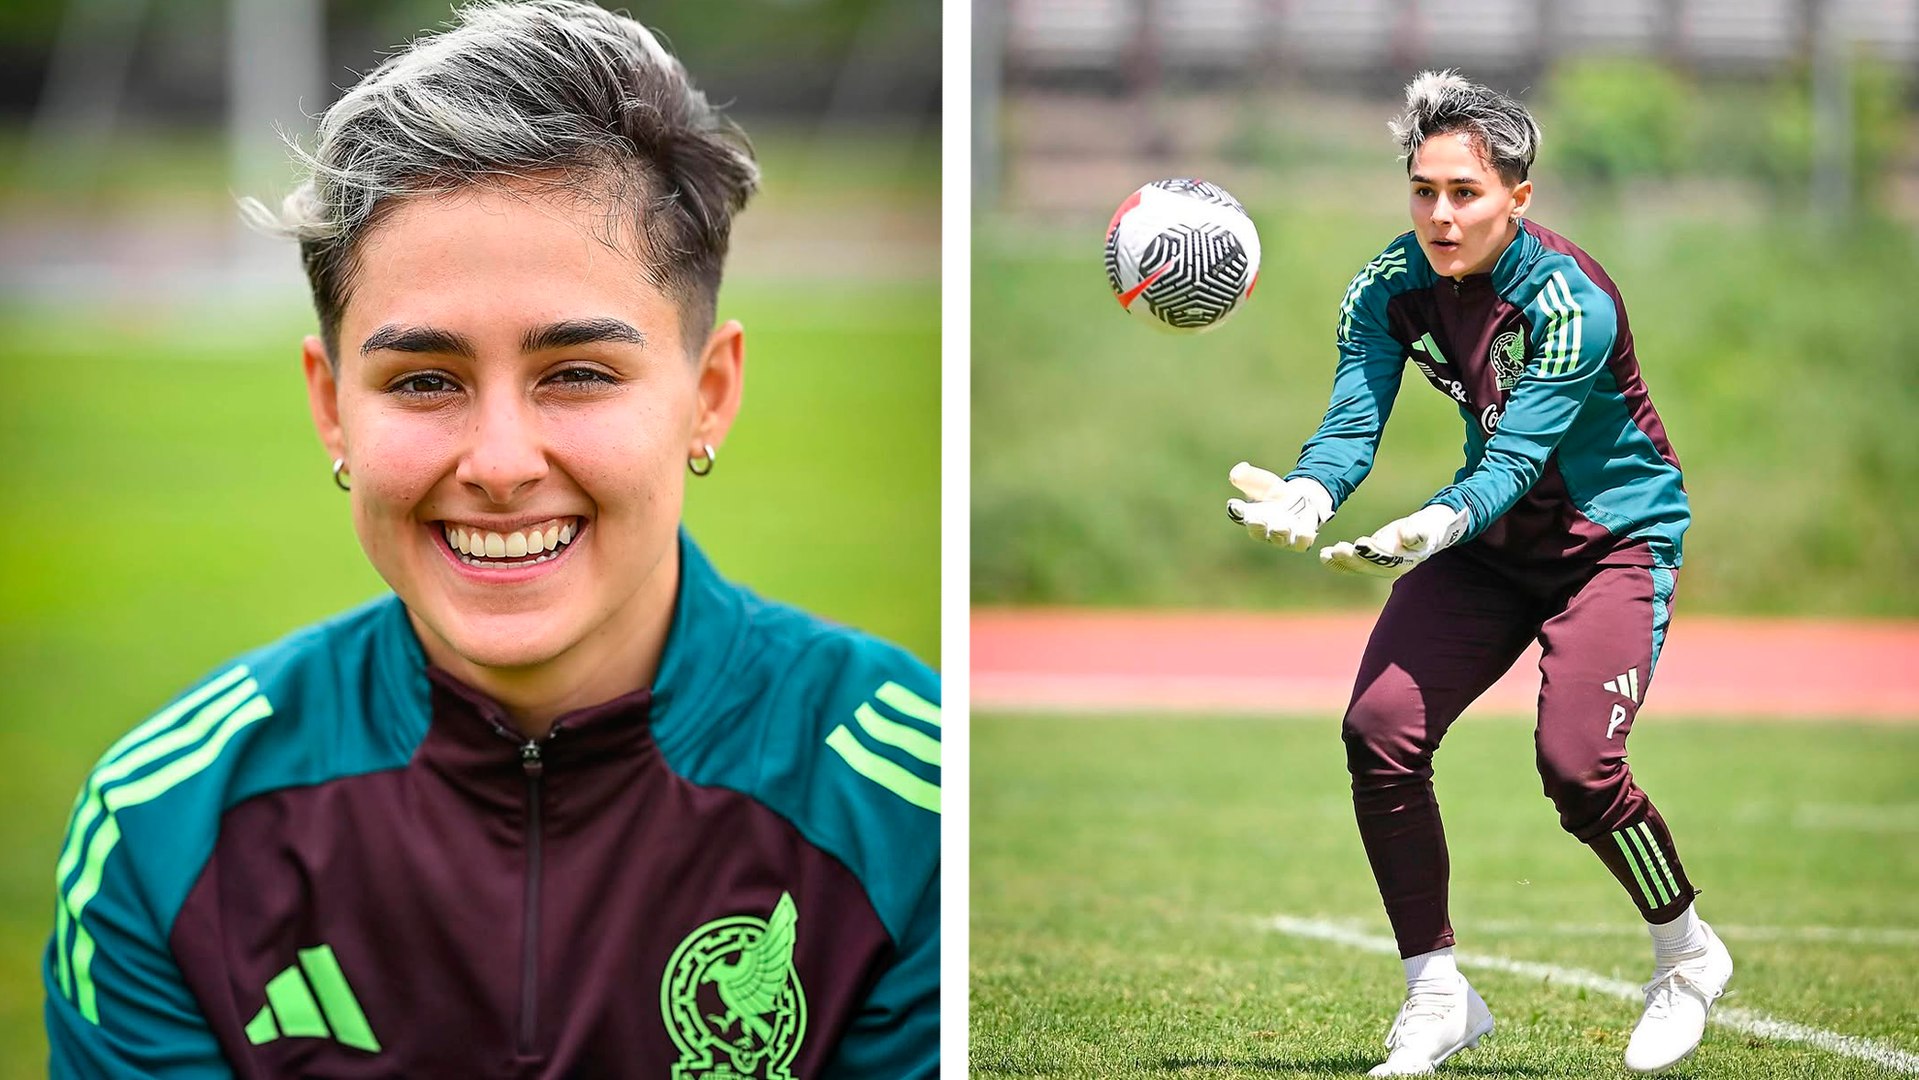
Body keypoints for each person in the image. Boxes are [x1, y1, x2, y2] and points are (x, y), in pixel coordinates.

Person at [43, 2, 939, 1076]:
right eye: (424, 380)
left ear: (708, 395)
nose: (501, 462)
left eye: (576, 374)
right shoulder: (167, 828)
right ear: (332, 409)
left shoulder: (913, 809)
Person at [1226, 70, 1729, 1076]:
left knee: (1577, 770)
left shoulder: (1567, 299)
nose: (1439, 214)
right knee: (1377, 730)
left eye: (1463, 193)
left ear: (1516, 198)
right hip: (1492, 551)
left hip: (1610, 545)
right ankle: (1436, 993)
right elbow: (1352, 417)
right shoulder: (1385, 285)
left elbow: (1513, 462)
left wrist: (1432, 523)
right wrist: (1311, 491)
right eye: (1422, 190)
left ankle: (1684, 956)